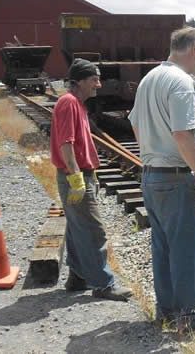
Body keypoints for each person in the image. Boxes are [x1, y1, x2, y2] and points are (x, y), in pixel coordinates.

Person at [128, 27, 195, 333]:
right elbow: (182, 133)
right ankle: (190, 317)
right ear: (194, 48)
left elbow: (135, 125)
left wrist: (152, 153)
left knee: (164, 247)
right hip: (177, 177)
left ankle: (168, 311)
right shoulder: (182, 82)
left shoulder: (150, 79)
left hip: (152, 176)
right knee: (189, 248)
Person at [50, 58, 133, 301]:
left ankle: (78, 277)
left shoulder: (76, 104)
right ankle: (104, 285)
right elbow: (66, 143)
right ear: (79, 81)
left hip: (77, 175)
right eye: (94, 79)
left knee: (78, 229)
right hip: (74, 176)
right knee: (94, 231)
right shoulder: (68, 103)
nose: (98, 83)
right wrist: (76, 177)